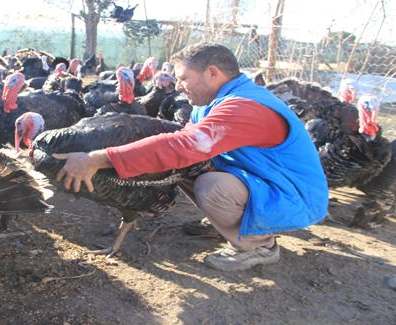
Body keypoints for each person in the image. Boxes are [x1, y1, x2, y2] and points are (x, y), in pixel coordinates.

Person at [53, 44, 329, 271]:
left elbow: (184, 144)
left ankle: (260, 245)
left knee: (212, 187)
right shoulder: (215, 102)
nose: (179, 87)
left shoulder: (244, 107)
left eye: (184, 78)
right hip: (264, 181)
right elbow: (182, 148)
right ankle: (230, 223)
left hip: (294, 196)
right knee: (188, 167)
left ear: (212, 73)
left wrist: (97, 158)